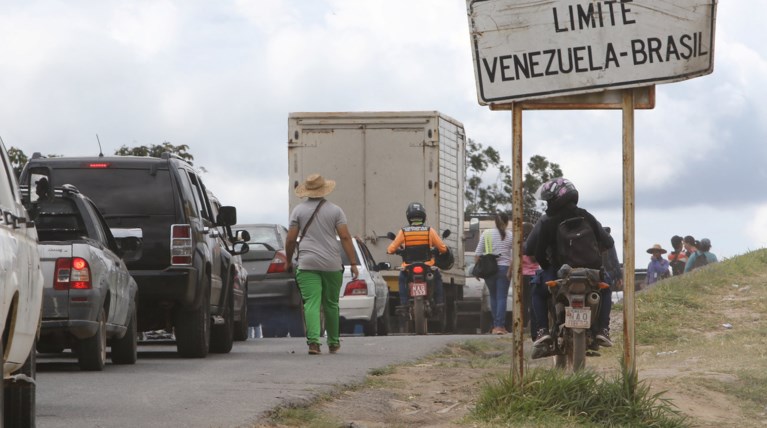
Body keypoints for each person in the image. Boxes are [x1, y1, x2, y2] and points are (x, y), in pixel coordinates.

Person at [525, 178, 615, 355]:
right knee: (606, 288)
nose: (548, 204)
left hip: (559, 272)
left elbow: (534, 250)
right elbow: (608, 242)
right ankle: (603, 329)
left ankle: (542, 331)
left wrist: (547, 266)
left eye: (549, 200)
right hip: (591, 273)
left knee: (537, 289)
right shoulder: (586, 215)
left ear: (555, 199)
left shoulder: (547, 221)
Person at [285, 174, 359, 355]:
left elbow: (291, 239)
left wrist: (288, 259)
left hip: (307, 263)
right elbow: (345, 237)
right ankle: (333, 343)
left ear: (307, 191)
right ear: (324, 189)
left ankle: (314, 343)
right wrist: (353, 262)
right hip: (332, 264)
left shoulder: (298, 211)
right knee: (331, 304)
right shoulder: (336, 211)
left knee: (311, 303)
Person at [387, 202, 448, 317]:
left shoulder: (403, 232)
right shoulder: (430, 231)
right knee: (438, 277)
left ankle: (404, 304)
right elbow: (443, 248)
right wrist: (438, 250)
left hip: (408, 267)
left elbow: (390, 249)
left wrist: (395, 251)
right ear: (423, 216)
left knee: (401, 278)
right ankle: (439, 303)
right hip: (428, 266)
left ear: (408, 217)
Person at [474, 212, 513, 335]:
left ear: (495, 222)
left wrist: (477, 270)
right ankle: (499, 326)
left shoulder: (486, 233)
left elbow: (478, 254)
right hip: (504, 269)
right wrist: (510, 271)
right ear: (507, 223)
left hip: (489, 269)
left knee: (493, 297)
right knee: (502, 297)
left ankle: (496, 326)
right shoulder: (510, 235)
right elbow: (514, 256)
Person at [521, 222, 541, 339]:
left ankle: (522, 325)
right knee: (534, 303)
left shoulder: (519, 244)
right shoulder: (535, 244)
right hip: (534, 276)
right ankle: (534, 330)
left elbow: (514, 260)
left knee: (522, 303)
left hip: (522, 276)